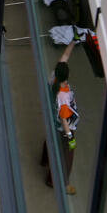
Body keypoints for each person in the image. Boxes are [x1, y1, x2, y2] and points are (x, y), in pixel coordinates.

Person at [41, 40, 79, 195]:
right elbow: (64, 120)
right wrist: (70, 137)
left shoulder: (53, 77)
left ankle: (44, 160)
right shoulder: (63, 96)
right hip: (62, 128)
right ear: (66, 76)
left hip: (52, 120)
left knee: (49, 141)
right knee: (66, 157)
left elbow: (65, 56)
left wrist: (74, 42)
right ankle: (61, 182)